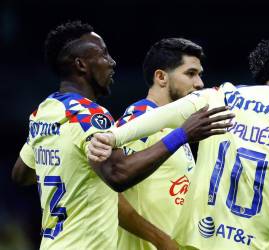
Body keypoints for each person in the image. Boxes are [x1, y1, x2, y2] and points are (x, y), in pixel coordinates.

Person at [88, 37, 269, 249]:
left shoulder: (221, 95)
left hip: (199, 241)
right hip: (253, 242)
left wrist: (112, 136)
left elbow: (165, 115)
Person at [11, 21, 230, 249]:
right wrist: (181, 135)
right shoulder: (91, 116)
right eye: (103, 54)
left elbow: (21, 174)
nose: (112, 62)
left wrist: (66, 166)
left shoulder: (45, 111)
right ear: (81, 65)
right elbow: (118, 174)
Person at [116, 38, 205, 250]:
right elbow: (111, 193)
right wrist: (161, 241)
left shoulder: (177, 127)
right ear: (161, 77)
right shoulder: (139, 118)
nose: (200, 83)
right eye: (190, 73)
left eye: (200, 74)